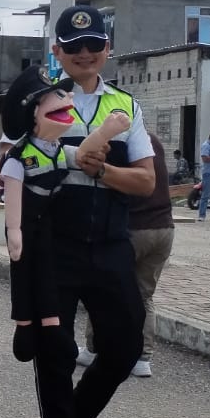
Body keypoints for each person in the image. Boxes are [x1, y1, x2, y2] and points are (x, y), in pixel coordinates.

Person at [28, 4, 156, 418]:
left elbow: (145, 181)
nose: (84, 54)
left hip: (109, 244)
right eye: (73, 47)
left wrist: (100, 170)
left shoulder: (126, 106)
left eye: (93, 45)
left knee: (124, 348)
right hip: (52, 246)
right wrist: (70, 158)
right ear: (57, 52)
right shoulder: (41, 101)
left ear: (107, 49)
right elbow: (15, 164)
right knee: (54, 356)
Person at [2, 69, 128, 363]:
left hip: (48, 223)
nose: (67, 98)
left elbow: (83, 155)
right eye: (56, 96)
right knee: (23, 273)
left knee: (47, 272)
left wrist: (105, 132)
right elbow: (12, 194)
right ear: (33, 112)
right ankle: (24, 325)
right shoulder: (20, 156)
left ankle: (51, 325)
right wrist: (14, 231)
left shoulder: (57, 149)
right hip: (25, 224)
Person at [79, 132, 174, 379]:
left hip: (132, 228)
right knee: (144, 295)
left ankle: (93, 348)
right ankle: (143, 358)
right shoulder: (153, 141)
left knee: (101, 289)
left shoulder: (119, 143)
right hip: (164, 228)